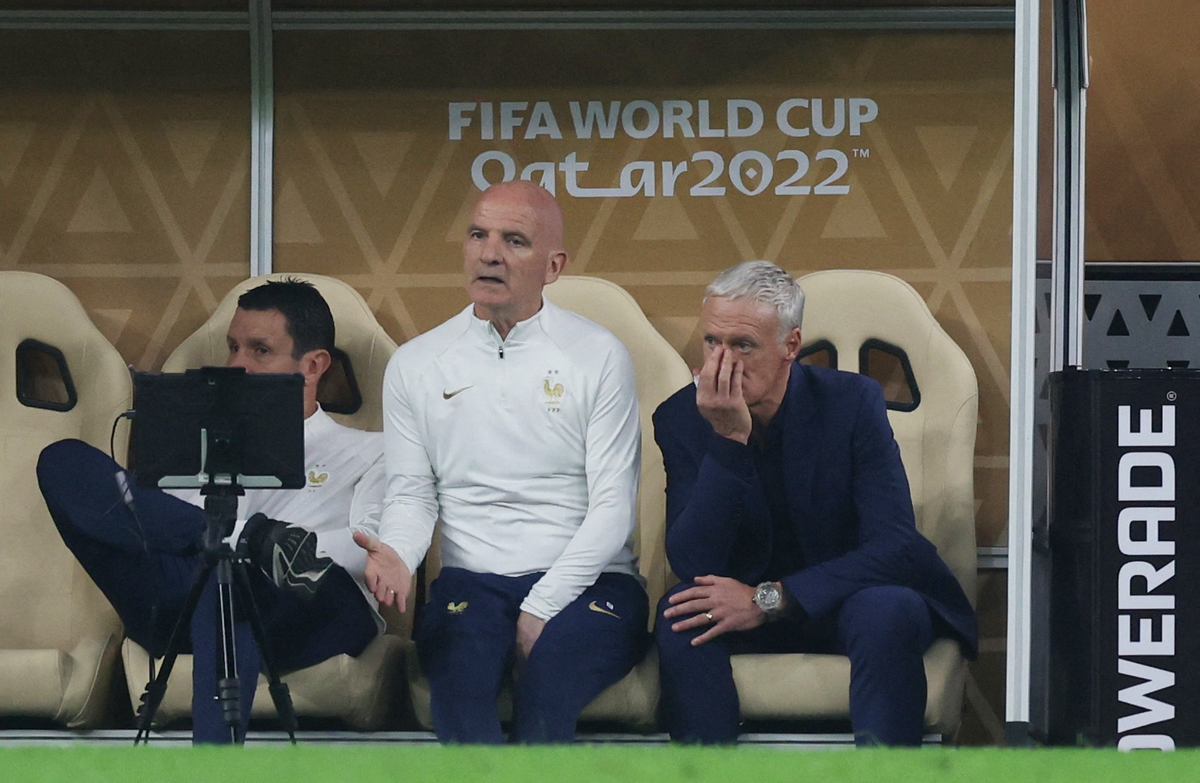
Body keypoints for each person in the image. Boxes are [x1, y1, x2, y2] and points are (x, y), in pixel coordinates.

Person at [352, 180, 647, 744]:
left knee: (547, 692)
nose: (489, 253)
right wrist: (398, 550)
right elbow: (413, 493)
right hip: (474, 585)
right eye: (477, 235)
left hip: (591, 583)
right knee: (461, 696)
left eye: (514, 240)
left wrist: (540, 607)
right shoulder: (417, 364)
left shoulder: (599, 355)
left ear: (553, 266)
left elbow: (613, 509)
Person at [37, 279, 384, 744]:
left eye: (260, 350)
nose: (237, 365)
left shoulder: (370, 452)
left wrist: (265, 557)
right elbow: (155, 527)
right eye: (233, 348)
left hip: (307, 608)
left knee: (233, 579)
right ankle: (245, 541)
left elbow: (373, 553)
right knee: (62, 461)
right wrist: (243, 540)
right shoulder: (192, 442)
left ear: (314, 365)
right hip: (185, 595)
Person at [652, 260, 977, 746]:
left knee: (887, 609)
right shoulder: (682, 416)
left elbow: (895, 545)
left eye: (742, 345)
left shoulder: (852, 404)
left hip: (846, 598)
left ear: (790, 345)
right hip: (743, 608)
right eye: (712, 343)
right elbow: (693, 562)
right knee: (681, 617)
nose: (723, 362)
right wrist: (727, 441)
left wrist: (771, 599)